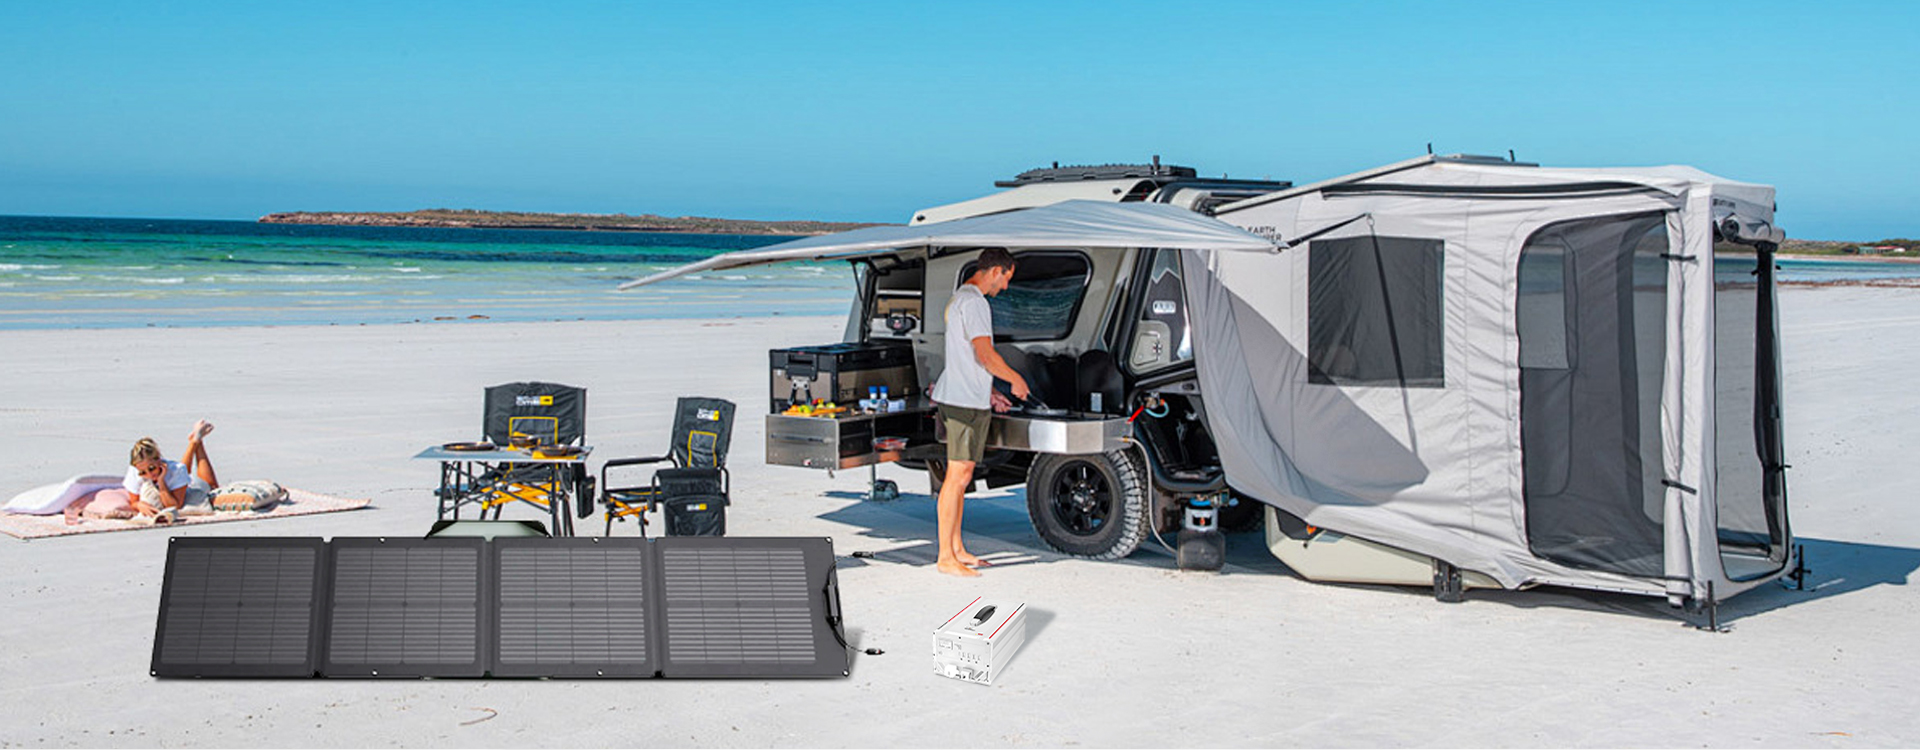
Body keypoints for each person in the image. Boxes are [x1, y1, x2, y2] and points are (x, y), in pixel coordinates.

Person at [929, 248, 1029, 577]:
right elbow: (985, 355)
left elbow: (966, 359)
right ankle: (945, 557)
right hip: (962, 403)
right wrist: (1014, 379)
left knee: (963, 475)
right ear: (995, 270)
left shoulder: (962, 298)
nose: (1006, 286)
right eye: (1006, 278)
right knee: (956, 477)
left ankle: (957, 548)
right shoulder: (975, 303)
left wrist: (991, 391)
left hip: (964, 396)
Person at [110, 420, 221, 523]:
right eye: (143, 472)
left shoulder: (176, 469)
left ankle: (197, 443)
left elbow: (175, 506)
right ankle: (195, 441)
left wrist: (161, 481)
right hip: (179, 477)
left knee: (212, 487)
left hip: (191, 488)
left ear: (159, 459)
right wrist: (139, 505)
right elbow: (134, 501)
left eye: (152, 468)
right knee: (180, 472)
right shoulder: (134, 471)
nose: (149, 474)